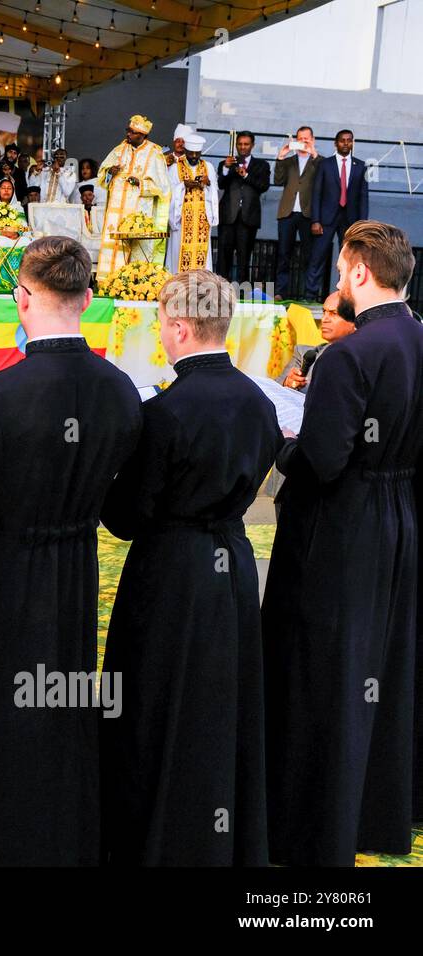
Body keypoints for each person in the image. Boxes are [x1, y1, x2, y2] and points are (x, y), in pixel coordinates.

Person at [0, 236, 140, 866]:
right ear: (87, 298)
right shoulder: (121, 390)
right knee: (63, 706)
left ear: (22, 298)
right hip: (75, 570)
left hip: (2, 575)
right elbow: (122, 507)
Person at [99, 270, 281, 866]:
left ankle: (157, 836)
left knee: (155, 704)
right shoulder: (259, 402)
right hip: (233, 569)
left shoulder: (167, 411)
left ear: (177, 327)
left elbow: (127, 517)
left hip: (171, 571)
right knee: (221, 702)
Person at [263, 220, 423, 867]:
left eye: (341, 269)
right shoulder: (417, 338)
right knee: (382, 672)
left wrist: (276, 440)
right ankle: (373, 817)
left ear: (360, 271)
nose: (336, 280)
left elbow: (323, 461)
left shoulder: (350, 354)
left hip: (343, 527)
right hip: (401, 520)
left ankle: (313, 827)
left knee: (323, 675)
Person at [96, 115, 172, 279]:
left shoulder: (154, 153)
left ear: (143, 135)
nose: (128, 135)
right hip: (116, 214)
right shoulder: (119, 150)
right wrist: (110, 172)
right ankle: (111, 281)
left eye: (132, 132)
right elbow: (102, 177)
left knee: (139, 251)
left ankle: (136, 284)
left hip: (139, 213)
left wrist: (141, 184)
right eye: (128, 131)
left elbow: (163, 188)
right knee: (114, 249)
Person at [304, 129, 369, 299]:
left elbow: (363, 197)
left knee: (348, 259)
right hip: (325, 219)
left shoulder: (360, 166)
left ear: (352, 142)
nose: (346, 143)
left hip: (350, 220)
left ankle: (345, 296)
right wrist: (315, 220)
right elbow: (316, 193)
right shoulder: (325, 164)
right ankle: (310, 295)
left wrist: (362, 225)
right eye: (342, 140)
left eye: (349, 140)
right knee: (317, 257)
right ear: (336, 143)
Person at [215, 131, 271, 284]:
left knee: (244, 256)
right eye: (240, 144)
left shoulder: (262, 165)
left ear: (252, 145)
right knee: (223, 256)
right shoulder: (226, 163)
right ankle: (221, 289)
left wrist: (246, 175)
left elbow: (263, 186)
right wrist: (226, 169)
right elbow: (220, 184)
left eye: (246, 144)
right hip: (228, 216)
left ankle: (242, 291)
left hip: (248, 218)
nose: (243, 147)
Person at [273, 126, 320, 300]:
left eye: (306, 138)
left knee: (309, 256)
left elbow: (323, 180)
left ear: (312, 139)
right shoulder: (288, 161)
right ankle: (280, 292)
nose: (303, 141)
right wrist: (281, 156)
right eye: (300, 138)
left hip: (308, 214)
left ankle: (309, 293)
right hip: (287, 213)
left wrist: (313, 153)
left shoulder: (319, 161)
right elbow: (277, 180)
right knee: (284, 254)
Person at [166, 134, 219, 274]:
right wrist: (183, 185)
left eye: (197, 153)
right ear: (185, 151)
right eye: (191, 153)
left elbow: (214, 191)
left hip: (202, 221)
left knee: (201, 255)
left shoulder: (209, 167)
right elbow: (168, 193)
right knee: (179, 254)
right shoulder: (174, 168)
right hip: (181, 220)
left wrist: (208, 184)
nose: (194, 156)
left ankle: (200, 289)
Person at [282, 292, 355, 391]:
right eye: (324, 312)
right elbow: (273, 390)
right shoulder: (304, 354)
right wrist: (287, 382)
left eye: (333, 313)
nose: (324, 319)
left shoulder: (365, 360)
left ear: (354, 321)